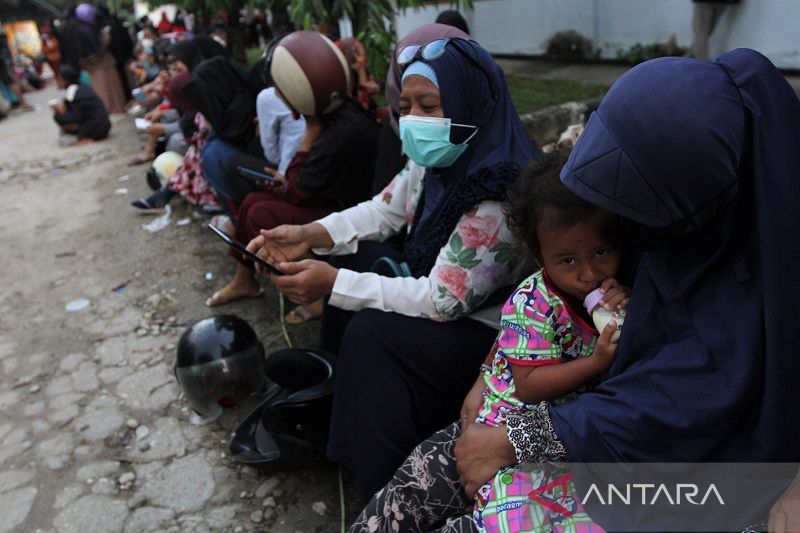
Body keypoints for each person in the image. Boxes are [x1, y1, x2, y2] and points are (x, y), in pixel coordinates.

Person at [349, 48, 800, 532]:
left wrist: (515, 439)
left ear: (691, 191)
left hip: (685, 479)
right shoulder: (661, 227)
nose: (593, 265)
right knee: (434, 465)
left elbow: (677, 406)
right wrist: (491, 376)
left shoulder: (758, 289)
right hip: (585, 418)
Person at [250, 37, 538, 496]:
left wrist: (333, 285)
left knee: (371, 332)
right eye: (406, 105)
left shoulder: (501, 194)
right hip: (440, 293)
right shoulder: (439, 156)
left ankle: (389, 488)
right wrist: (309, 235)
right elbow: (383, 211)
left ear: (472, 102)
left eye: (429, 104)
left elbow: (444, 301)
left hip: (485, 337)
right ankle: (337, 408)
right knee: (348, 260)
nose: (414, 120)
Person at [466, 151, 630, 532]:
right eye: (568, 261)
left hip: (566, 429)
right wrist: (596, 362)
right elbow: (528, 386)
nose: (589, 274)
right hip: (512, 423)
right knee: (515, 515)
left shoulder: (616, 292)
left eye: (601, 253)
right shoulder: (532, 303)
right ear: (537, 254)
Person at [205, 31, 379, 307]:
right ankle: (244, 280)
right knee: (251, 202)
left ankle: (316, 298)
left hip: (350, 218)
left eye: (280, 89)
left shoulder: (331, 131)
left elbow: (298, 191)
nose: (278, 95)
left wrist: (308, 135)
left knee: (260, 210)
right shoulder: (342, 111)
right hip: (334, 202)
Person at [74, 3, 126, 114]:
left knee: (105, 87)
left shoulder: (83, 29)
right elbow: (97, 48)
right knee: (107, 88)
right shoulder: (88, 30)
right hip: (100, 64)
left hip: (97, 65)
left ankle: (110, 108)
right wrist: (105, 38)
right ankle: (113, 107)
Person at [51, 64, 111, 146]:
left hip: (96, 130)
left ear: (66, 80)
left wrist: (58, 112)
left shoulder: (74, 92)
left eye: (59, 78)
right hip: (103, 126)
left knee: (64, 140)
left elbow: (73, 118)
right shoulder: (82, 86)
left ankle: (86, 138)